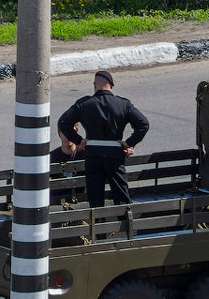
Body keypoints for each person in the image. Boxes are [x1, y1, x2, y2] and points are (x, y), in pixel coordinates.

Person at [56, 70, 149, 208]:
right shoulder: (123, 104)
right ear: (111, 85)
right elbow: (143, 124)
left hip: (93, 155)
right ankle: (125, 226)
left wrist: (79, 140)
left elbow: (64, 123)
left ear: (95, 85)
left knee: (95, 199)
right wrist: (128, 143)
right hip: (115, 156)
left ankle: (98, 226)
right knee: (121, 196)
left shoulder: (84, 104)